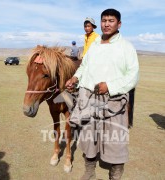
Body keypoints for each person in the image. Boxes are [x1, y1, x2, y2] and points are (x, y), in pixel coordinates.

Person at [65, 9, 139, 180]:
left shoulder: (126, 47)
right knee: (88, 136)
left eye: (111, 20)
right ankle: (89, 171)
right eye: (104, 20)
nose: (106, 24)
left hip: (113, 101)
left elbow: (132, 76)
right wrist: (75, 78)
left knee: (115, 139)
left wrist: (110, 86)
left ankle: (116, 173)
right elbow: (84, 67)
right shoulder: (95, 45)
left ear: (119, 24)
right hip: (89, 98)